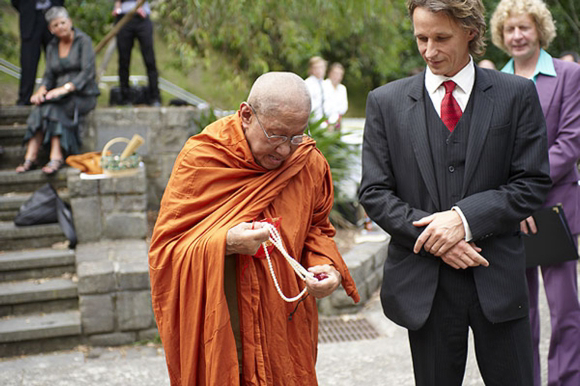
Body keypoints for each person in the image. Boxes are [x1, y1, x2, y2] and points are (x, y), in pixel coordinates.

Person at [358, 0, 552, 384]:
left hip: (496, 278)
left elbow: (532, 184)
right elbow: (375, 191)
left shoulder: (517, 95)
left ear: (471, 32)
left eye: (441, 37)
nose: (430, 50)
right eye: (421, 38)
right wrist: (436, 238)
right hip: (424, 288)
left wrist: (463, 220)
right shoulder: (386, 102)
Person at [149, 72, 360, 385]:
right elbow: (167, 249)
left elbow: (316, 229)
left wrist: (325, 267)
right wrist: (227, 242)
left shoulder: (308, 163)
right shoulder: (204, 158)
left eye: (296, 136)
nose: (286, 150)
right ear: (246, 114)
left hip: (282, 323)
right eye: (276, 135)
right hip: (225, 318)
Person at [490, 1, 580, 385]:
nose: (516, 36)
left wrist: (524, 190)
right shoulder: (491, 83)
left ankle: (567, 380)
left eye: (524, 27)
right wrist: (512, 200)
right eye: (509, 30)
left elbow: (570, 142)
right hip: (512, 213)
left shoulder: (569, 74)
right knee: (518, 311)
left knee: (565, 310)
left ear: (539, 29)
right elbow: (489, 152)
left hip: (555, 209)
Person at [15, 6, 99, 175]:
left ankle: (56, 156)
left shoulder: (84, 41)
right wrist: (41, 90)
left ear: (70, 22)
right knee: (40, 109)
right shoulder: (53, 46)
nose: (60, 27)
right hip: (58, 96)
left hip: (82, 94)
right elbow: (49, 75)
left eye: (62, 23)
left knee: (54, 108)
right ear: (50, 29)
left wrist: (65, 89)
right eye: (55, 25)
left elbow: (87, 72)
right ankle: (30, 157)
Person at [11, 0, 65, 106]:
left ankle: (55, 97)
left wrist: (55, 7)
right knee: (28, 63)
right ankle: (24, 100)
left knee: (56, 61)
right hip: (30, 18)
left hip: (52, 16)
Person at [112, 0, 160, 106]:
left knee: (150, 60)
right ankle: (125, 98)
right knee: (124, 61)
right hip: (123, 18)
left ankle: (155, 97)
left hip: (142, 18)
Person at [323, 62, 348, 131]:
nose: (337, 76)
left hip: (337, 121)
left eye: (340, 74)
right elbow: (324, 107)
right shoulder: (323, 86)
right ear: (330, 73)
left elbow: (344, 107)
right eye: (336, 73)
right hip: (323, 122)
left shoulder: (342, 88)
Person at [304, 56, 327, 124]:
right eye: (316, 68)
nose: (319, 70)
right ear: (311, 69)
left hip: (325, 122)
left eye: (321, 67)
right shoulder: (308, 84)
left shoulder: (325, 83)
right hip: (313, 122)